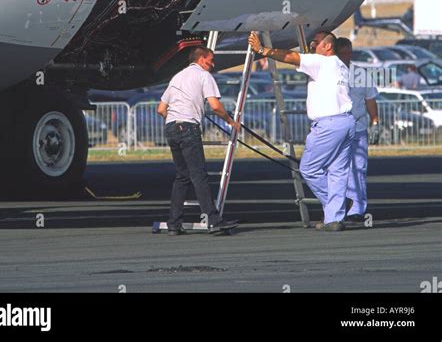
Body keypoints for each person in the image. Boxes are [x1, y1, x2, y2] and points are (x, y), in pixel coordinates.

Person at [249, 30, 355, 231]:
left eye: (315, 42)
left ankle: (338, 205)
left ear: (327, 46)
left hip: (328, 124)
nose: (311, 46)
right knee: (337, 172)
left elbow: (291, 57)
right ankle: (334, 219)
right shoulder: (340, 66)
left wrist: (263, 50)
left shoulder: (321, 62)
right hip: (346, 122)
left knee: (309, 169)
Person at [157, 46, 239, 235]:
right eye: (211, 60)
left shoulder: (177, 77)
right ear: (201, 59)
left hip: (171, 127)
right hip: (188, 127)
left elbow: (161, 109)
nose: (213, 64)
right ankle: (214, 219)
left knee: (182, 176)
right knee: (198, 175)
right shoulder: (204, 76)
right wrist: (230, 121)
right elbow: (215, 105)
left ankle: (174, 223)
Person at [336, 37, 379, 223]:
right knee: (338, 169)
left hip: (359, 127)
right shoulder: (330, 73)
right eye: (343, 53)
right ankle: (338, 205)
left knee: (359, 168)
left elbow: (370, 99)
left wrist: (375, 121)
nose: (347, 57)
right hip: (338, 129)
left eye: (349, 53)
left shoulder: (361, 74)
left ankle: (358, 207)